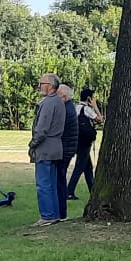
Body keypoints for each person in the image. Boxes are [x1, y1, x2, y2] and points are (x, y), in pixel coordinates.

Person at [27, 73, 65, 226]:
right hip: (56, 147)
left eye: (41, 83)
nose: (39, 86)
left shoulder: (48, 103)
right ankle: (54, 214)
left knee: (43, 184)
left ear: (49, 86)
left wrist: (33, 144)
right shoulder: (59, 102)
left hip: (46, 148)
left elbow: (42, 128)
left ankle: (47, 215)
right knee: (51, 182)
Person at [66, 87, 101, 205]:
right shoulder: (87, 109)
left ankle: (93, 190)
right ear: (89, 98)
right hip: (85, 142)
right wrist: (95, 106)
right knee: (80, 167)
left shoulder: (76, 108)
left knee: (88, 168)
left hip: (77, 140)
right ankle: (69, 191)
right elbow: (99, 119)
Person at [55, 82, 80, 218]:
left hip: (64, 149)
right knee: (60, 178)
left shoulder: (65, 110)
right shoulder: (69, 108)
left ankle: (61, 211)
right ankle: (61, 211)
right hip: (68, 148)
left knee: (59, 179)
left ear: (63, 97)